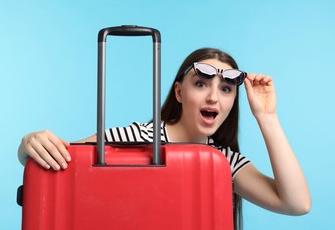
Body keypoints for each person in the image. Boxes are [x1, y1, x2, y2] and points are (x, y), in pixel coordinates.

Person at [18, 48, 311, 229]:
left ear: (234, 100)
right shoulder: (138, 137)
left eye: (225, 89)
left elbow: (296, 204)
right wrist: (28, 145)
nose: (213, 96)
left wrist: (267, 117)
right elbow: (60, 160)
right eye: (201, 84)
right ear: (180, 93)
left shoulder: (224, 161)